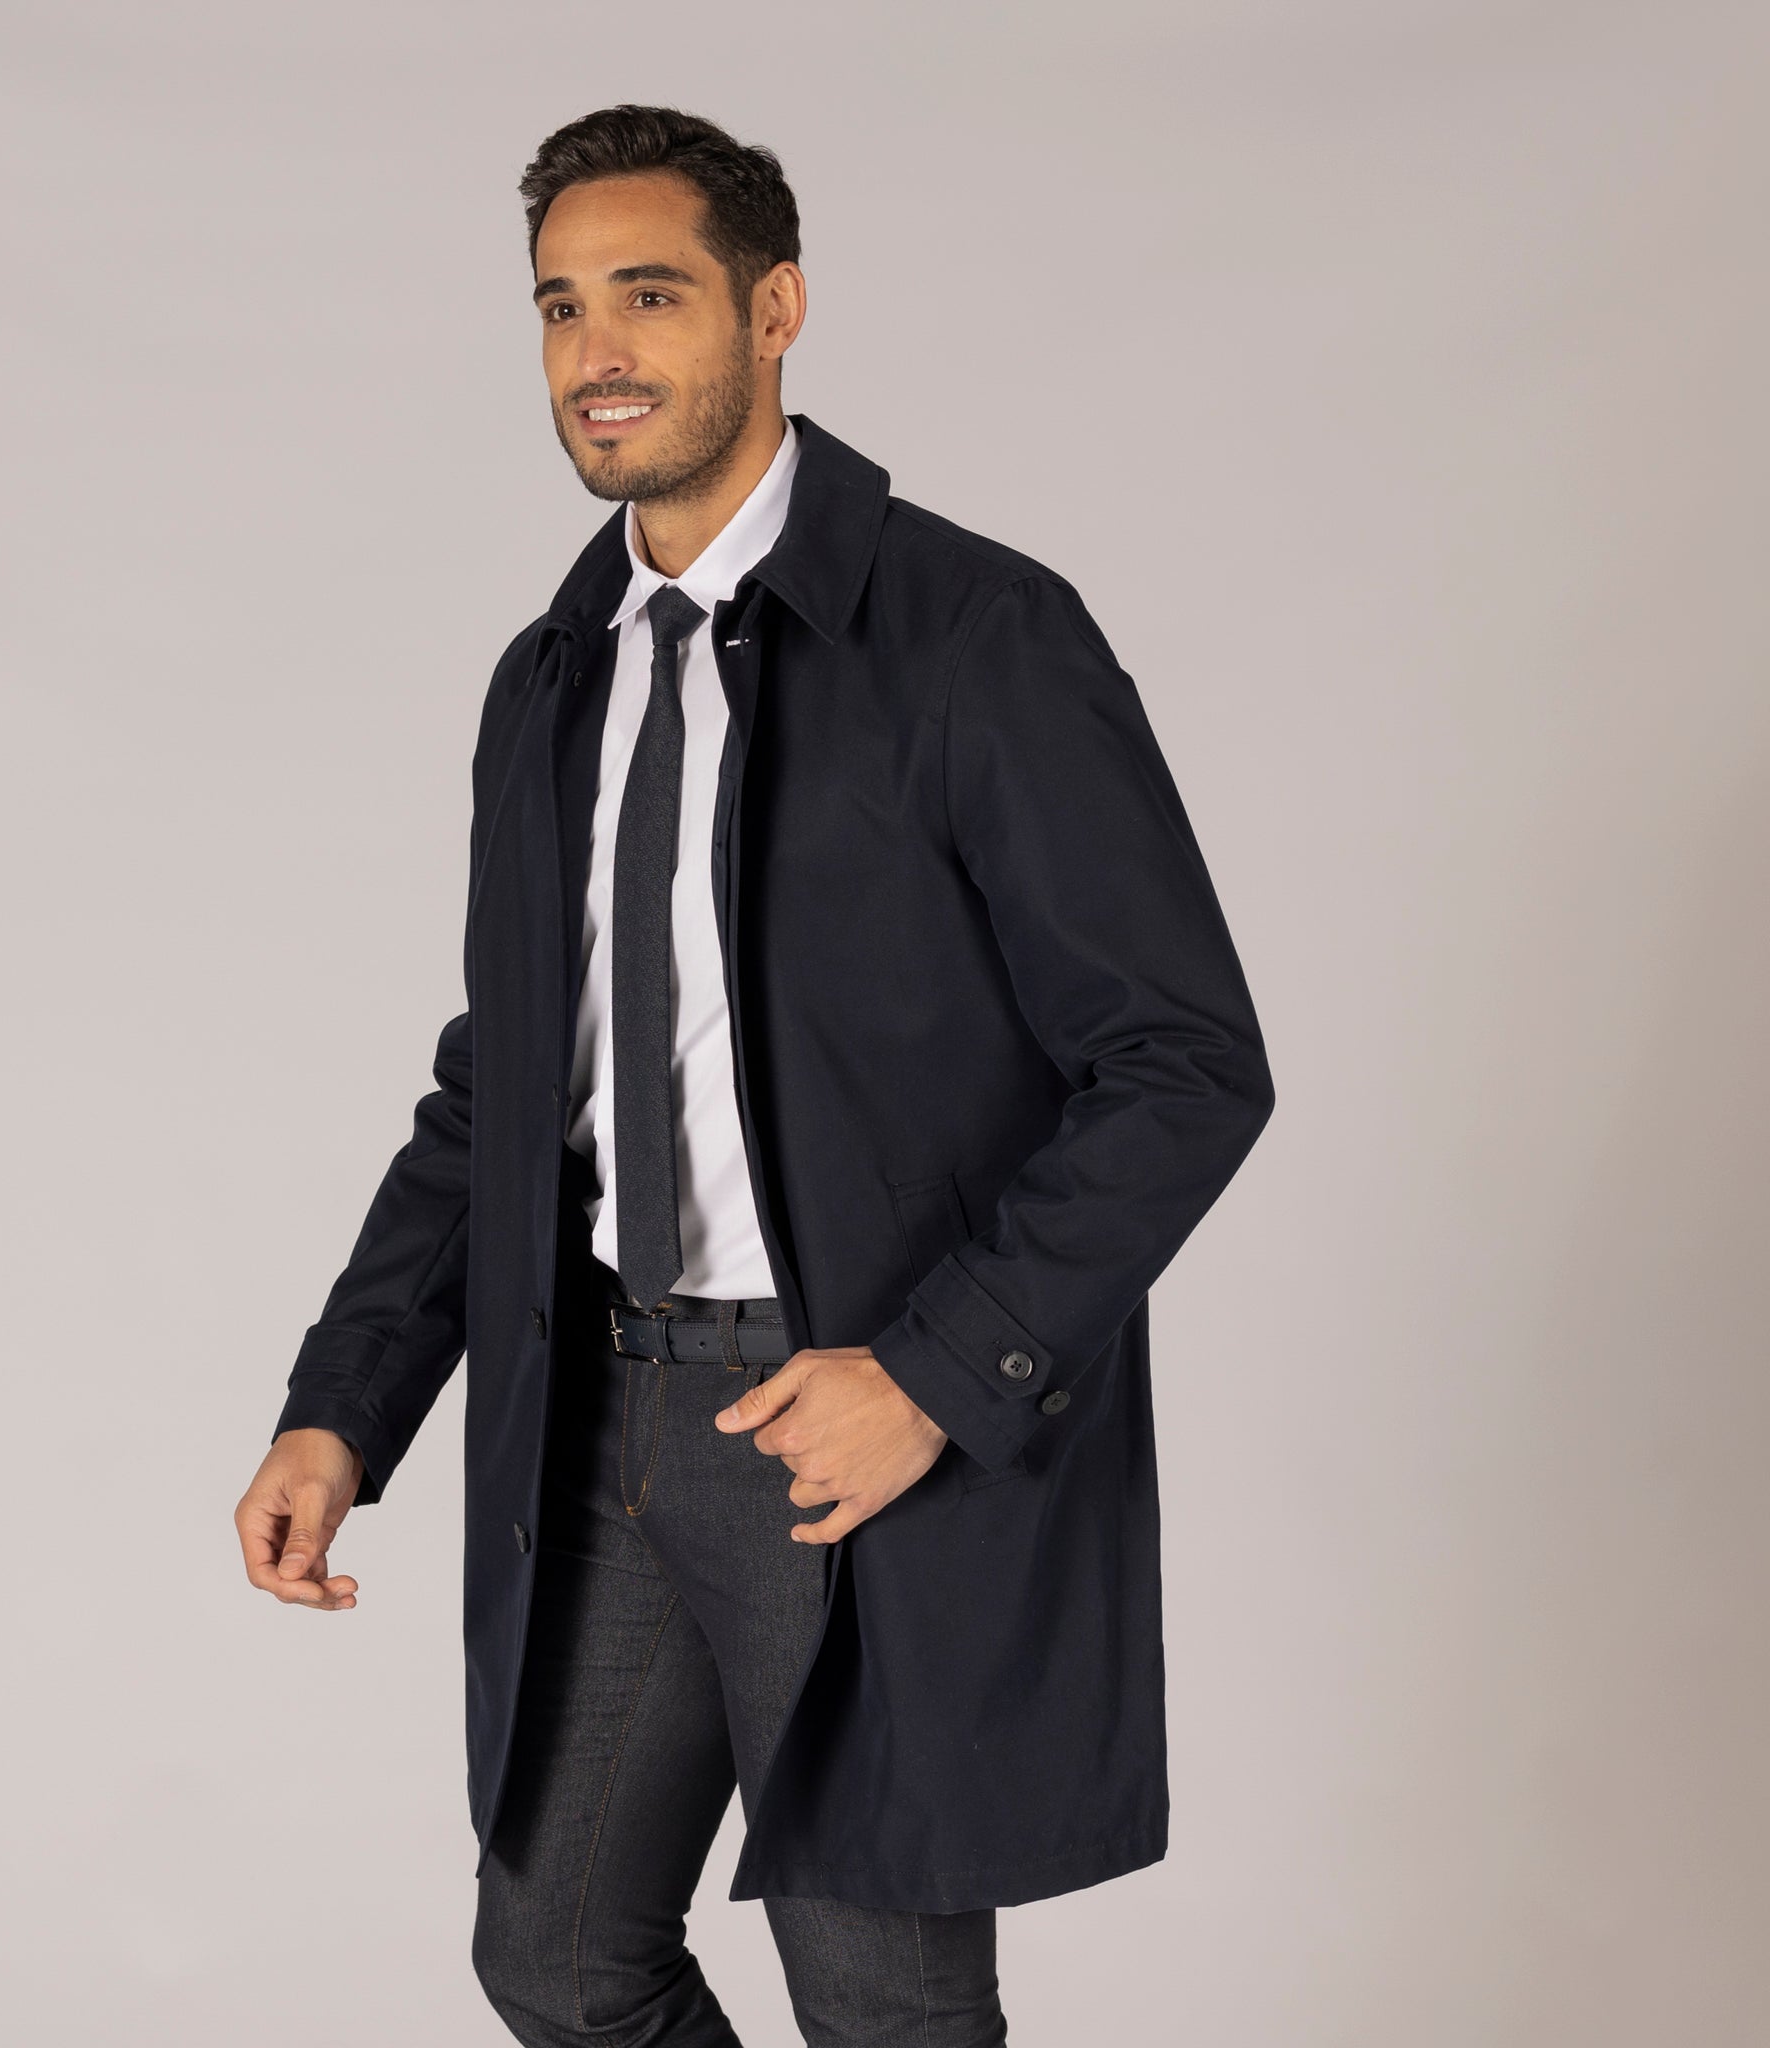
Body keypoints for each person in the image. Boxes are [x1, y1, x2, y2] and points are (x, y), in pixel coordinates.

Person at [233, 102, 1274, 2047]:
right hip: (605, 1411)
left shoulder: (977, 638)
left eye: (650, 294)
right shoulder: (555, 678)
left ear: (774, 309)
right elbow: (502, 1090)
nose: (597, 351)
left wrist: (935, 1376)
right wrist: (342, 1408)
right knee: (557, 1959)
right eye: (561, 307)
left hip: (846, 1429)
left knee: (882, 2006)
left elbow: (1183, 1063)